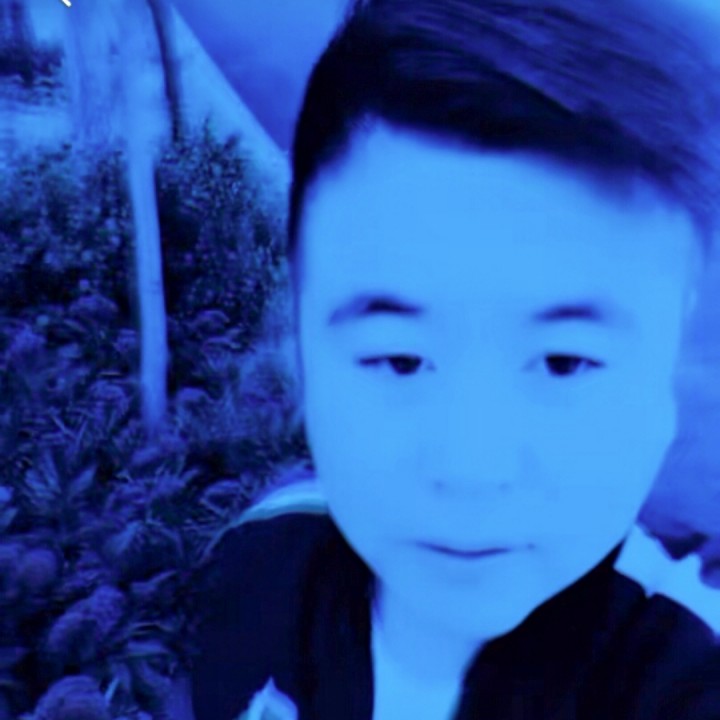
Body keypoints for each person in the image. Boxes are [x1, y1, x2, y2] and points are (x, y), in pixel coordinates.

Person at [185, 1, 720, 718]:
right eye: (402, 361)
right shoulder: (260, 571)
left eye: (563, 363)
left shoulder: (685, 675)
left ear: (665, 382)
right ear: (303, 349)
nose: (472, 468)